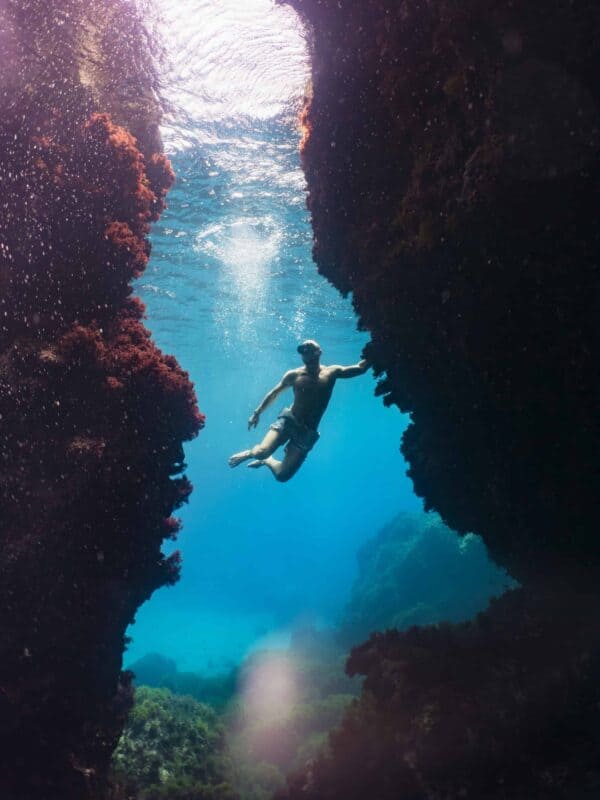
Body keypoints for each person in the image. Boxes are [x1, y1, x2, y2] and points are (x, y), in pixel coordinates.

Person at [228, 340, 369, 482]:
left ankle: (267, 461)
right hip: (289, 421)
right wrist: (256, 413)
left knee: (282, 476)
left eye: (309, 348)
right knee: (261, 452)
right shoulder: (294, 375)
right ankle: (252, 454)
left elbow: (360, 368)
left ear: (319, 352)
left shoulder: (332, 372)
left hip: (308, 432)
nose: (305, 350)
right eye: (303, 349)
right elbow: (274, 393)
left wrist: (377, 349)